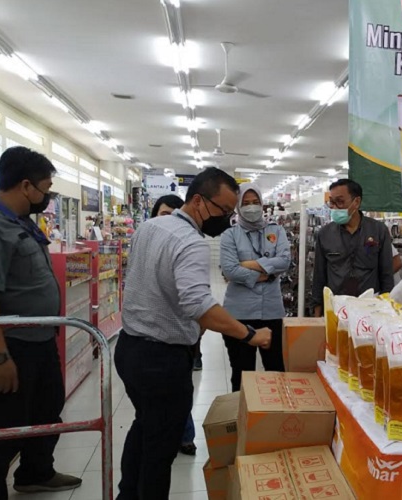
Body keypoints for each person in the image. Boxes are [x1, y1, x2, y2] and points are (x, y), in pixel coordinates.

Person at [116, 167, 272, 500]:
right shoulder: (191, 242)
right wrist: (249, 334)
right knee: (161, 449)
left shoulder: (149, 226)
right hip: (161, 360)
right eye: (223, 211)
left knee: (144, 426)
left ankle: (127, 493)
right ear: (198, 201)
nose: (227, 219)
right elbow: (198, 304)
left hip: (130, 349)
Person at [0, 147, 82, 497]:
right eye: (46, 189)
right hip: (13, 346)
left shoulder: (23, 222)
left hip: (41, 338)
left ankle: (36, 472)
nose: (47, 197)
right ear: (27, 185)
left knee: (47, 408)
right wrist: (0, 357)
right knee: (7, 422)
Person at [220, 184, 291, 391]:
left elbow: (285, 261)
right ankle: (240, 417)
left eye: (255, 202)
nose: (251, 207)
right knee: (242, 373)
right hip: (239, 314)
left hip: (272, 312)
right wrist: (267, 272)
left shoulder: (276, 230)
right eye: (246, 203)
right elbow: (230, 270)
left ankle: (275, 416)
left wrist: (247, 266)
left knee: (276, 369)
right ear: (238, 207)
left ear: (262, 204)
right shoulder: (230, 235)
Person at [149, 194, 199, 456]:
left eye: (174, 215)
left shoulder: (185, 244)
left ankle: (185, 435)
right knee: (157, 411)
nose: (169, 221)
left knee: (180, 395)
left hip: (179, 337)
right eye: (163, 214)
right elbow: (197, 301)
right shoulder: (147, 241)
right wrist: (246, 333)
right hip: (157, 341)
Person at [311, 179, 394, 316]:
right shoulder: (325, 234)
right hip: (336, 308)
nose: (335, 207)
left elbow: (386, 274)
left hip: (370, 309)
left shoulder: (378, 231)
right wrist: (317, 314)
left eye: (340, 201)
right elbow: (319, 276)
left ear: (356, 202)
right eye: (332, 202)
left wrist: (387, 310)